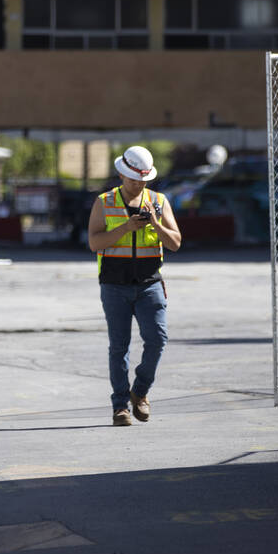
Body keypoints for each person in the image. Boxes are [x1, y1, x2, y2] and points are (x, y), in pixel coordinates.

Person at [87, 145, 181, 427]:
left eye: (143, 179)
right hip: (115, 286)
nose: (138, 183)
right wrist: (125, 228)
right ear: (121, 174)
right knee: (119, 347)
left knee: (157, 340)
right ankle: (120, 407)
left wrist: (155, 223)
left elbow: (175, 243)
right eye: (133, 178)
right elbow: (94, 243)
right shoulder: (104, 202)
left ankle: (139, 392)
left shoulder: (159, 201)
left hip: (149, 285)